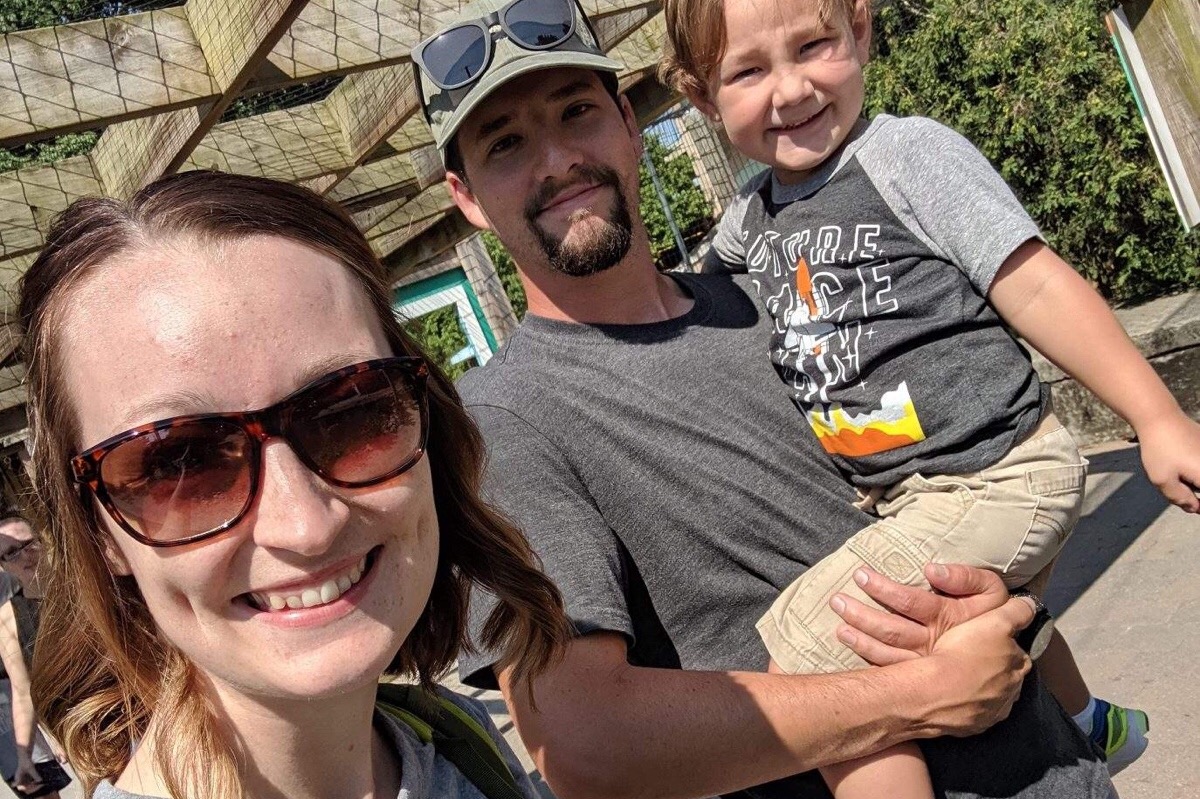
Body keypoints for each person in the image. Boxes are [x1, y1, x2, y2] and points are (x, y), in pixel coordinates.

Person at [412, 1, 1115, 797]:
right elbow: (583, 742)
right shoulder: (499, 422)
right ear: (466, 196)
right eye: (505, 144)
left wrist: (1005, 600)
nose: (558, 159)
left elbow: (970, 468)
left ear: (629, 125)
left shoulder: (779, 289)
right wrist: (921, 691)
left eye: (577, 111)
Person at [658, 0, 1200, 794]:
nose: (792, 89)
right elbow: (691, 301)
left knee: (814, 656)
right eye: (748, 71)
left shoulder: (904, 156)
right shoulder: (750, 218)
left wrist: (1156, 417)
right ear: (701, 98)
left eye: (812, 46)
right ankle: (1088, 721)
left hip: (998, 474)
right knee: (970, 610)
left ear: (860, 31)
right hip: (910, 495)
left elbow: (1035, 284)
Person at [18, 170, 571, 799]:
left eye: (353, 410)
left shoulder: (456, 740)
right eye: (180, 464)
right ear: (98, 533)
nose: (306, 526)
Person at [0, 515, 68, 799]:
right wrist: (24, 756)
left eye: (28, 544)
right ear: (3, 565)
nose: (24, 556)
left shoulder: (82, 585)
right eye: (11, 553)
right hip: (84, 733)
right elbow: (22, 691)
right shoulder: (9, 618)